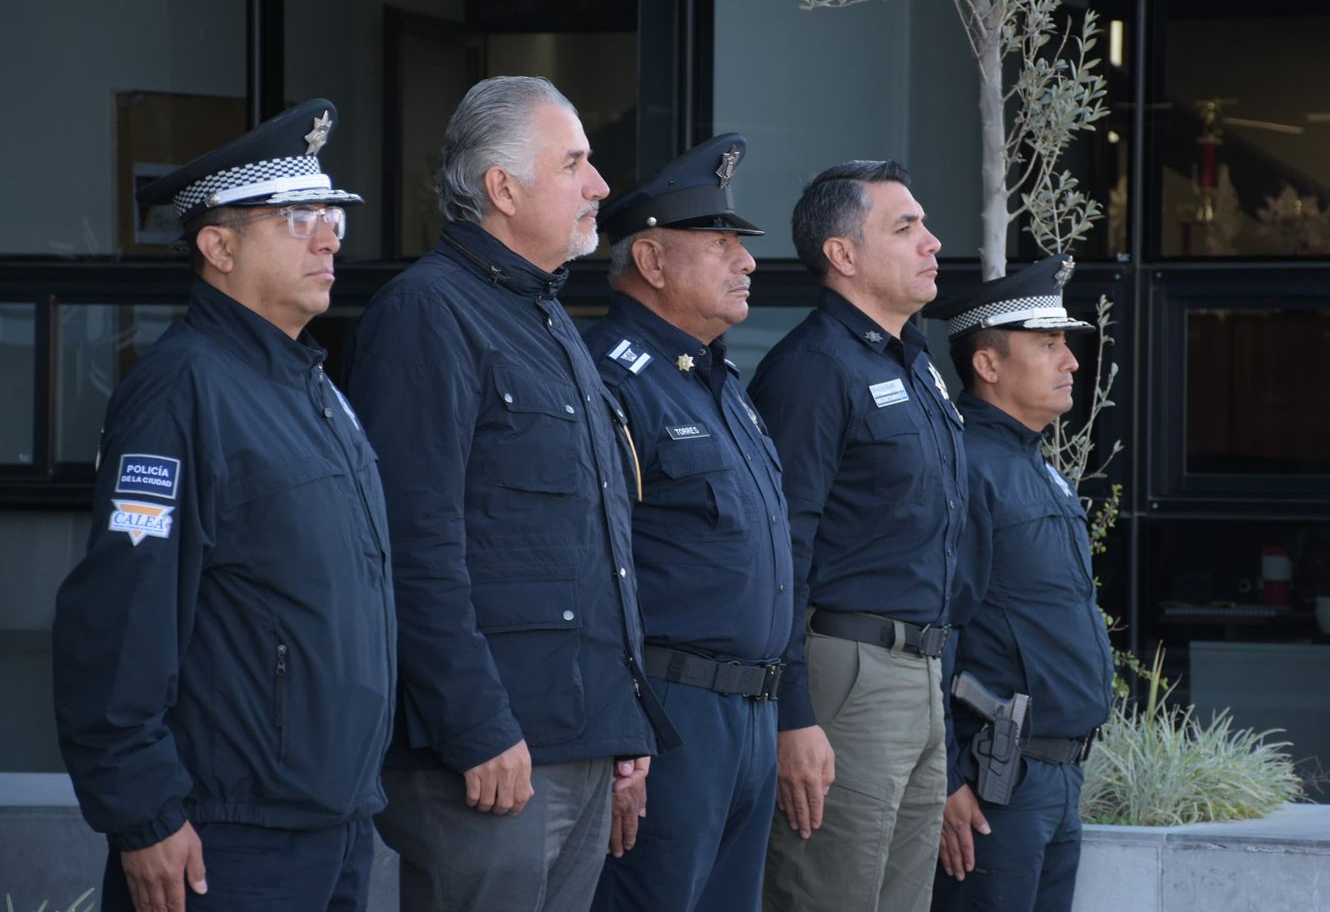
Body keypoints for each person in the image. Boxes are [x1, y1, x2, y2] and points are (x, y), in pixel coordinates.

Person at [345, 76, 678, 912]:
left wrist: (621, 722)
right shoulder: (427, 314)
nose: (600, 185)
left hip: (575, 738)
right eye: (574, 163)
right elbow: (415, 543)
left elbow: (590, 542)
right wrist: (475, 726)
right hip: (496, 753)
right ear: (502, 188)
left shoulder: (547, 315)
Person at [53, 100, 394, 912]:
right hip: (228, 836)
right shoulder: (182, 392)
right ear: (218, 246)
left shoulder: (310, 386)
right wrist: (143, 814)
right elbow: (120, 620)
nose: (329, 238)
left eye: (332, 216)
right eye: (298, 218)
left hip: (333, 823)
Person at [750, 159, 967, 912]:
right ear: (842, 255)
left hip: (920, 673)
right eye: (905, 228)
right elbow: (781, 553)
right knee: (830, 895)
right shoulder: (813, 369)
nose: (932, 243)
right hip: (847, 672)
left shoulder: (914, 363)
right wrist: (793, 714)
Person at [583, 134, 792, 911]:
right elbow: (594, 571)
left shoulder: (719, 381)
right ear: (652, 261)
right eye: (721, 243)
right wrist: (619, 729)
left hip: (749, 716)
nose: (747, 262)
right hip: (670, 717)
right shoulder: (612, 378)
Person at [924, 256, 1114, 912]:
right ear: (988, 364)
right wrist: (948, 778)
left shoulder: (1034, 466)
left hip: (1055, 776)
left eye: (1066, 344)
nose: (1071, 363)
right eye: (1048, 344)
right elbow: (938, 626)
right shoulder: (967, 468)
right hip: (994, 783)